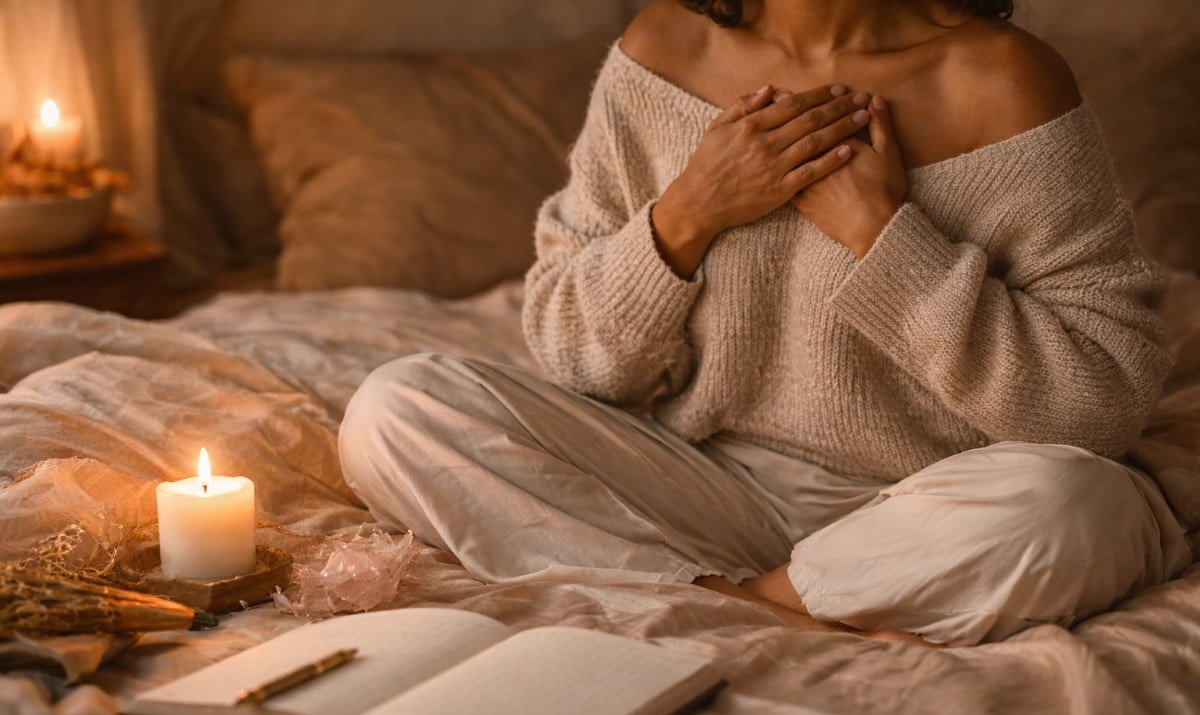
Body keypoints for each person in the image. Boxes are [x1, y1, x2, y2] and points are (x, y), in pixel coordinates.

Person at [338, 0, 1191, 646]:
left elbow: (1097, 406)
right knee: (398, 407)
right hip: (703, 485)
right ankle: (774, 603)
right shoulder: (664, 48)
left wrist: (884, 236)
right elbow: (577, 359)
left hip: (934, 506)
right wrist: (687, 214)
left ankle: (716, 603)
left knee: (1075, 507)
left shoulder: (1003, 77)